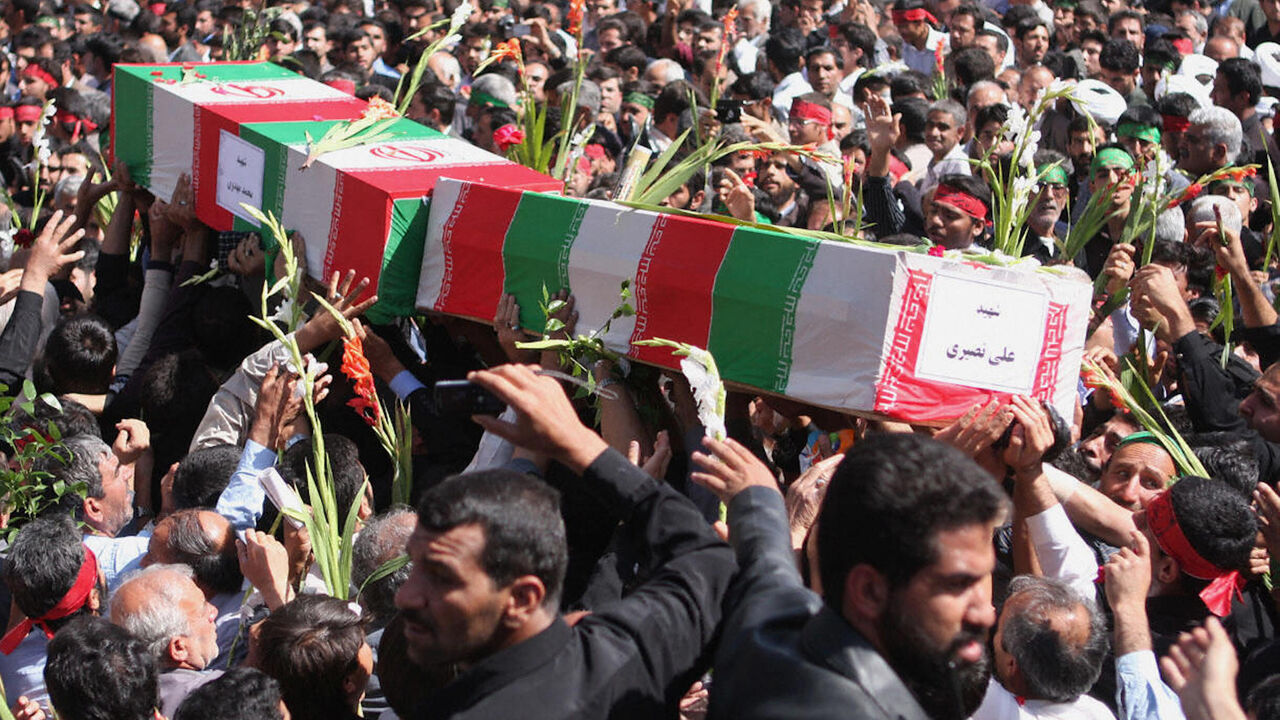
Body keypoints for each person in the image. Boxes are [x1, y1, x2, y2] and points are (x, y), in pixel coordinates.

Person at [394, 364, 735, 718]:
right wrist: (579, 443)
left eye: (433, 573)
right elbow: (712, 562)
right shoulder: (615, 672)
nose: (405, 595)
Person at [699, 431, 1006, 719]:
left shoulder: (770, 634)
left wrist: (759, 500)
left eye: (982, 579)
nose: (986, 615)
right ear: (869, 591)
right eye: (958, 585)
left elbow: (769, 573)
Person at [108, 564, 221, 717]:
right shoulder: (219, 698)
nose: (214, 611)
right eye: (202, 609)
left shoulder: (105, 700)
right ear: (179, 648)